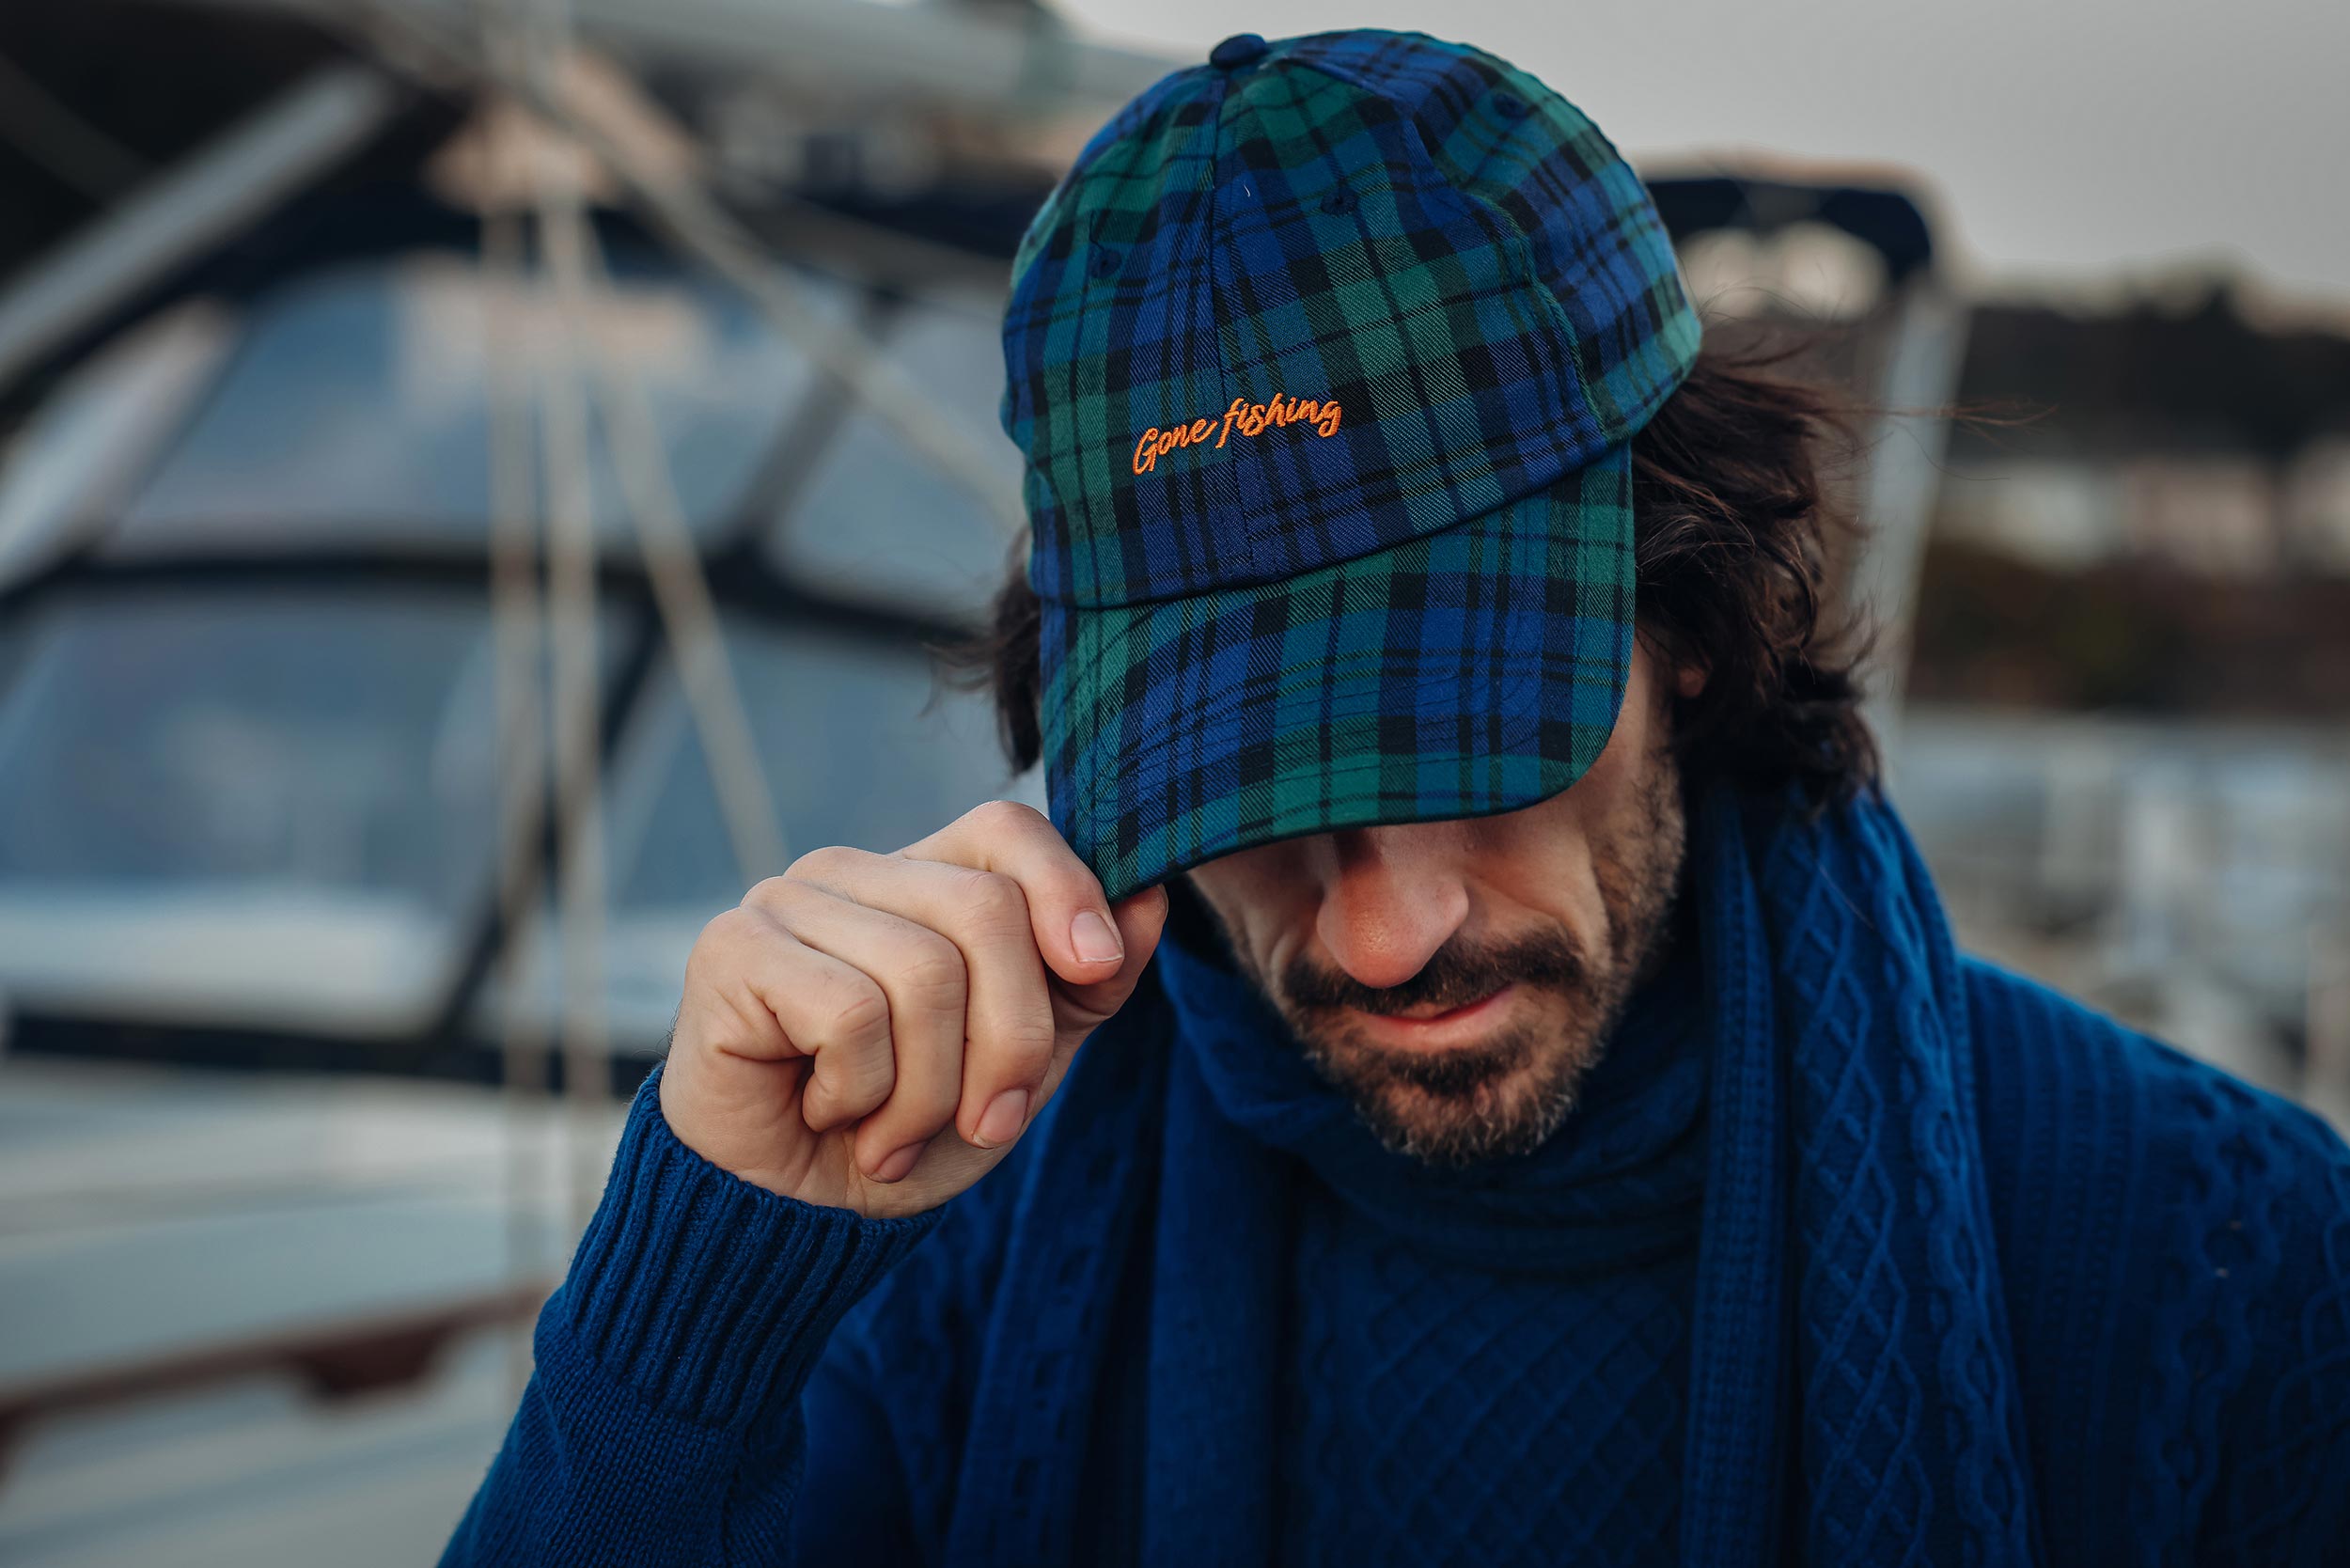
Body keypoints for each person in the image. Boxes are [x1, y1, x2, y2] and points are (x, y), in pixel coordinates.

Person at [441, 27, 2350, 1567]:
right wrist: (699, 1285)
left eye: (1470, 750)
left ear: (1689, 624)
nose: (1381, 933)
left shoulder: (2233, 1265)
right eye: (1246, 791)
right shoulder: (929, 1247)